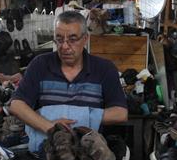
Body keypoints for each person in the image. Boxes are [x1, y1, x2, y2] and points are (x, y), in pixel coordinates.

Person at [10, 10, 128, 151]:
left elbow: (120, 113)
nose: (65, 46)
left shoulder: (104, 69)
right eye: (59, 39)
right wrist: (51, 128)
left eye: (72, 39)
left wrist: (79, 118)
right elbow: (16, 105)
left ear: (85, 39)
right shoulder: (40, 65)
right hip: (46, 150)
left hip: (86, 151)